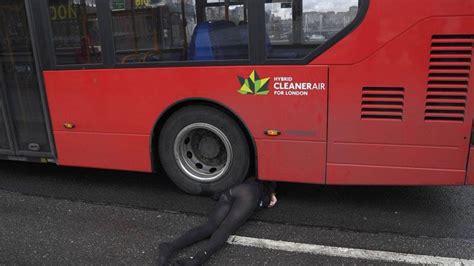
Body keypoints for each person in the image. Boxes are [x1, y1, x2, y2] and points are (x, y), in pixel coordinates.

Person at [157, 177, 277, 265]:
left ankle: (169, 247)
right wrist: (269, 198)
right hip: (249, 194)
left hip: (232, 191)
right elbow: (265, 201)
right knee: (225, 228)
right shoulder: (268, 186)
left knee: (210, 226)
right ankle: (198, 259)